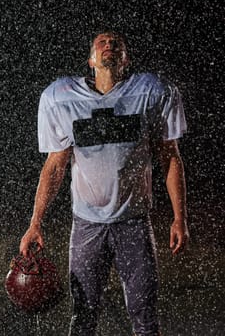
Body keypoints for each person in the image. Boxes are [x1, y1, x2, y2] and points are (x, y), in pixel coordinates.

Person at [20, 31, 189, 336]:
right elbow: (55, 165)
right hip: (87, 225)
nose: (109, 45)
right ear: (91, 60)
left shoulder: (151, 92)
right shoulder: (62, 98)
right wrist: (35, 222)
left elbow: (171, 158)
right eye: (102, 42)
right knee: (83, 316)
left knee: (145, 318)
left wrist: (180, 218)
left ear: (127, 60)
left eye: (117, 44)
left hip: (134, 224)